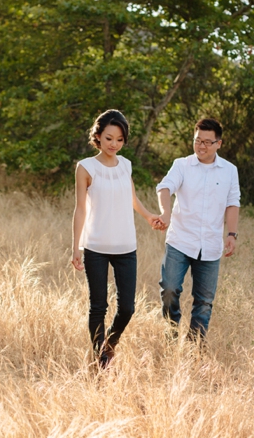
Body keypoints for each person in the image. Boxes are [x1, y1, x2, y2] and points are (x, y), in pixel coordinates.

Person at [71, 109, 161, 369]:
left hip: (125, 246)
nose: (114, 144)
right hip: (96, 246)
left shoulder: (126, 165)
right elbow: (80, 209)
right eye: (109, 138)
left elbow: (131, 197)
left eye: (120, 139)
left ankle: (110, 344)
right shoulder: (86, 167)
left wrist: (147, 216)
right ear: (97, 136)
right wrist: (76, 247)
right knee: (98, 306)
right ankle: (100, 362)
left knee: (127, 308)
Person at [155, 118, 240, 344]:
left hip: (211, 246)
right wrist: (165, 213)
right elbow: (165, 188)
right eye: (197, 141)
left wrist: (232, 234)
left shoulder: (230, 171)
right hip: (180, 240)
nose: (201, 147)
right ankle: (171, 336)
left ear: (219, 144)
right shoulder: (181, 165)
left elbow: (233, 203)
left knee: (204, 301)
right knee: (170, 290)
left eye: (207, 142)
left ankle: (195, 348)